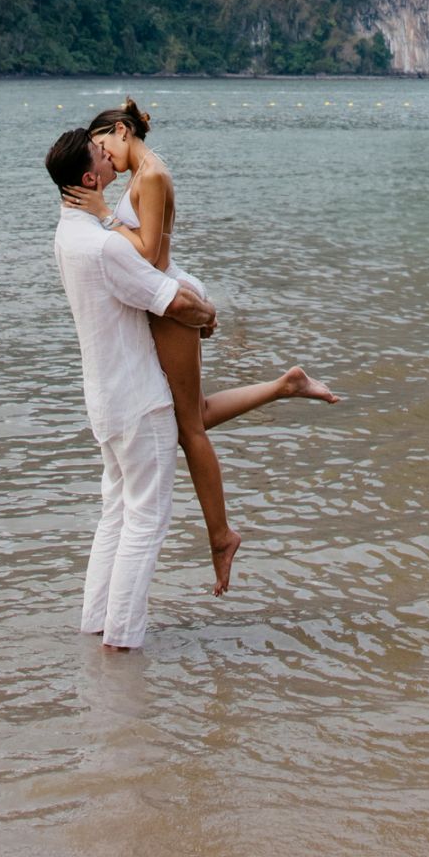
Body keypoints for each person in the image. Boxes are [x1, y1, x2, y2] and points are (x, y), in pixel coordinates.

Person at [84, 99, 336, 595]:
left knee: (190, 428)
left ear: (120, 131)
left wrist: (102, 218)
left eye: (101, 147)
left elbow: (152, 256)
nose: (101, 159)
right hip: (166, 300)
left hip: (170, 302)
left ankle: (221, 535)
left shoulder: (152, 175)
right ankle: (286, 385)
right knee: (191, 415)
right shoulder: (141, 176)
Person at [46, 123, 217, 651]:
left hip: (103, 401)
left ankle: (96, 625)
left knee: (116, 515)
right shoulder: (104, 249)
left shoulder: (67, 237)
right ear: (89, 178)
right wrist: (210, 315)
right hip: (139, 402)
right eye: (101, 155)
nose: (109, 158)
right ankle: (121, 644)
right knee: (146, 521)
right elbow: (175, 301)